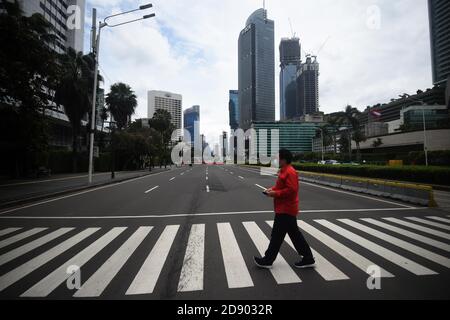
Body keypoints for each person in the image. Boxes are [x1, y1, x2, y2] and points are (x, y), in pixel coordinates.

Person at [254, 149, 316, 269]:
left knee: (277, 236)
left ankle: (268, 260)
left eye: (278, 158)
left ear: (284, 159)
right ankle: (308, 258)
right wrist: (270, 189)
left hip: (286, 209)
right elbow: (279, 186)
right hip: (284, 209)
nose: (276, 160)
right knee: (294, 235)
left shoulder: (290, 172)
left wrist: (275, 194)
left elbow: (291, 190)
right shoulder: (283, 170)